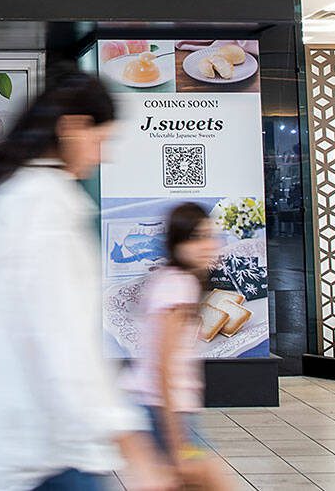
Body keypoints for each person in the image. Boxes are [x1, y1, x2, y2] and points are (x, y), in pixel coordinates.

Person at [0, 68, 173, 491]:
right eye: (102, 140)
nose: (104, 156)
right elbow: (65, 343)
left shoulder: (2, 196)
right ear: (72, 129)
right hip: (46, 453)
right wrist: (133, 446)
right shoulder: (49, 206)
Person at [121, 202, 234, 491]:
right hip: (165, 411)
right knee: (211, 481)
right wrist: (178, 443)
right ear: (177, 243)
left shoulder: (171, 280)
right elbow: (164, 368)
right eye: (195, 238)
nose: (207, 245)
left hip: (160, 408)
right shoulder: (178, 286)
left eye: (209, 236)